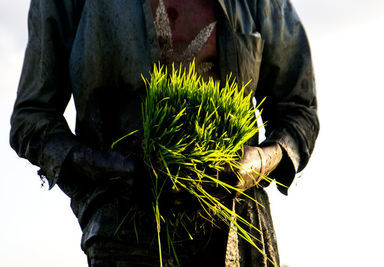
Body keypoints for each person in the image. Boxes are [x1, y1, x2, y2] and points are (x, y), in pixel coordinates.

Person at [10, 0, 319, 266]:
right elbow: (32, 117)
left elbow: (299, 111)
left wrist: (258, 163)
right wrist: (100, 167)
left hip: (240, 230)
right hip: (122, 233)